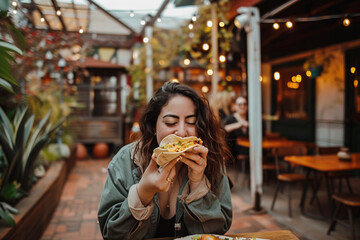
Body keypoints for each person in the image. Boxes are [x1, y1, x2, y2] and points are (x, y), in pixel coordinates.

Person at [98, 82, 233, 240]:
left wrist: (197, 184)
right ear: (154, 125)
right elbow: (111, 234)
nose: (182, 132)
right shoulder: (125, 160)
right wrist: (143, 192)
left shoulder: (211, 159)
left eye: (191, 122)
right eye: (170, 122)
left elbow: (217, 233)